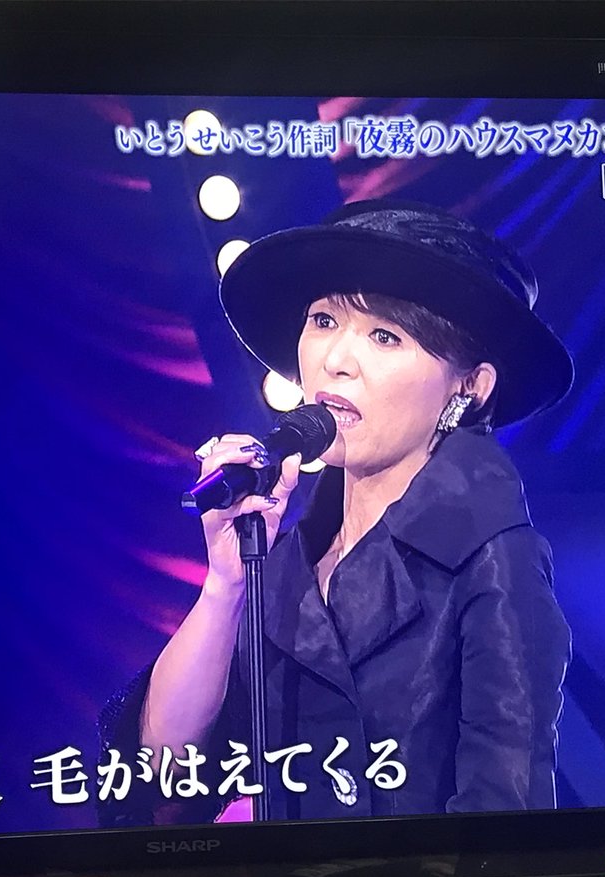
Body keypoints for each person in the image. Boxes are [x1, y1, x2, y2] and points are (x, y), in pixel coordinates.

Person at [97, 198, 574, 827]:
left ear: (469, 387)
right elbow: (160, 773)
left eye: (385, 336)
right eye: (323, 321)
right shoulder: (286, 556)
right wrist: (227, 584)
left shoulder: (493, 556)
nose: (336, 361)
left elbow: (504, 824)